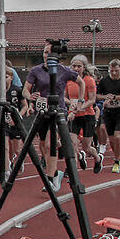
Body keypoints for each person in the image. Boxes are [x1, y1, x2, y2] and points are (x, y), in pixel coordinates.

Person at [22, 39, 79, 189]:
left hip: (57, 111)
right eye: (45, 53)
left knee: (49, 145)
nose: (47, 56)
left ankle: (50, 177)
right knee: (43, 146)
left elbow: (82, 82)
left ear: (57, 55)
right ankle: (54, 173)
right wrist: (29, 97)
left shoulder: (64, 70)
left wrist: (77, 101)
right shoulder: (36, 71)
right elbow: (25, 90)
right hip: (42, 112)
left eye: (50, 53)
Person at [94, 59, 120, 173]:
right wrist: (106, 97)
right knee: (111, 140)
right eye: (112, 71)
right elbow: (97, 95)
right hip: (109, 113)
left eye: (116, 71)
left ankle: (117, 161)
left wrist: (116, 97)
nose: (114, 73)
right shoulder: (104, 81)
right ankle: (118, 154)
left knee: (118, 136)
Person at [65, 55, 102, 173]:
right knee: (72, 144)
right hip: (74, 116)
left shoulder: (89, 80)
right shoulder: (68, 80)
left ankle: (97, 158)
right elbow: (64, 97)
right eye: (74, 66)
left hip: (87, 115)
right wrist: (71, 103)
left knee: (86, 147)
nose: (76, 68)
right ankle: (73, 169)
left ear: (84, 67)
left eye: (79, 66)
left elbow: (92, 99)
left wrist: (81, 106)